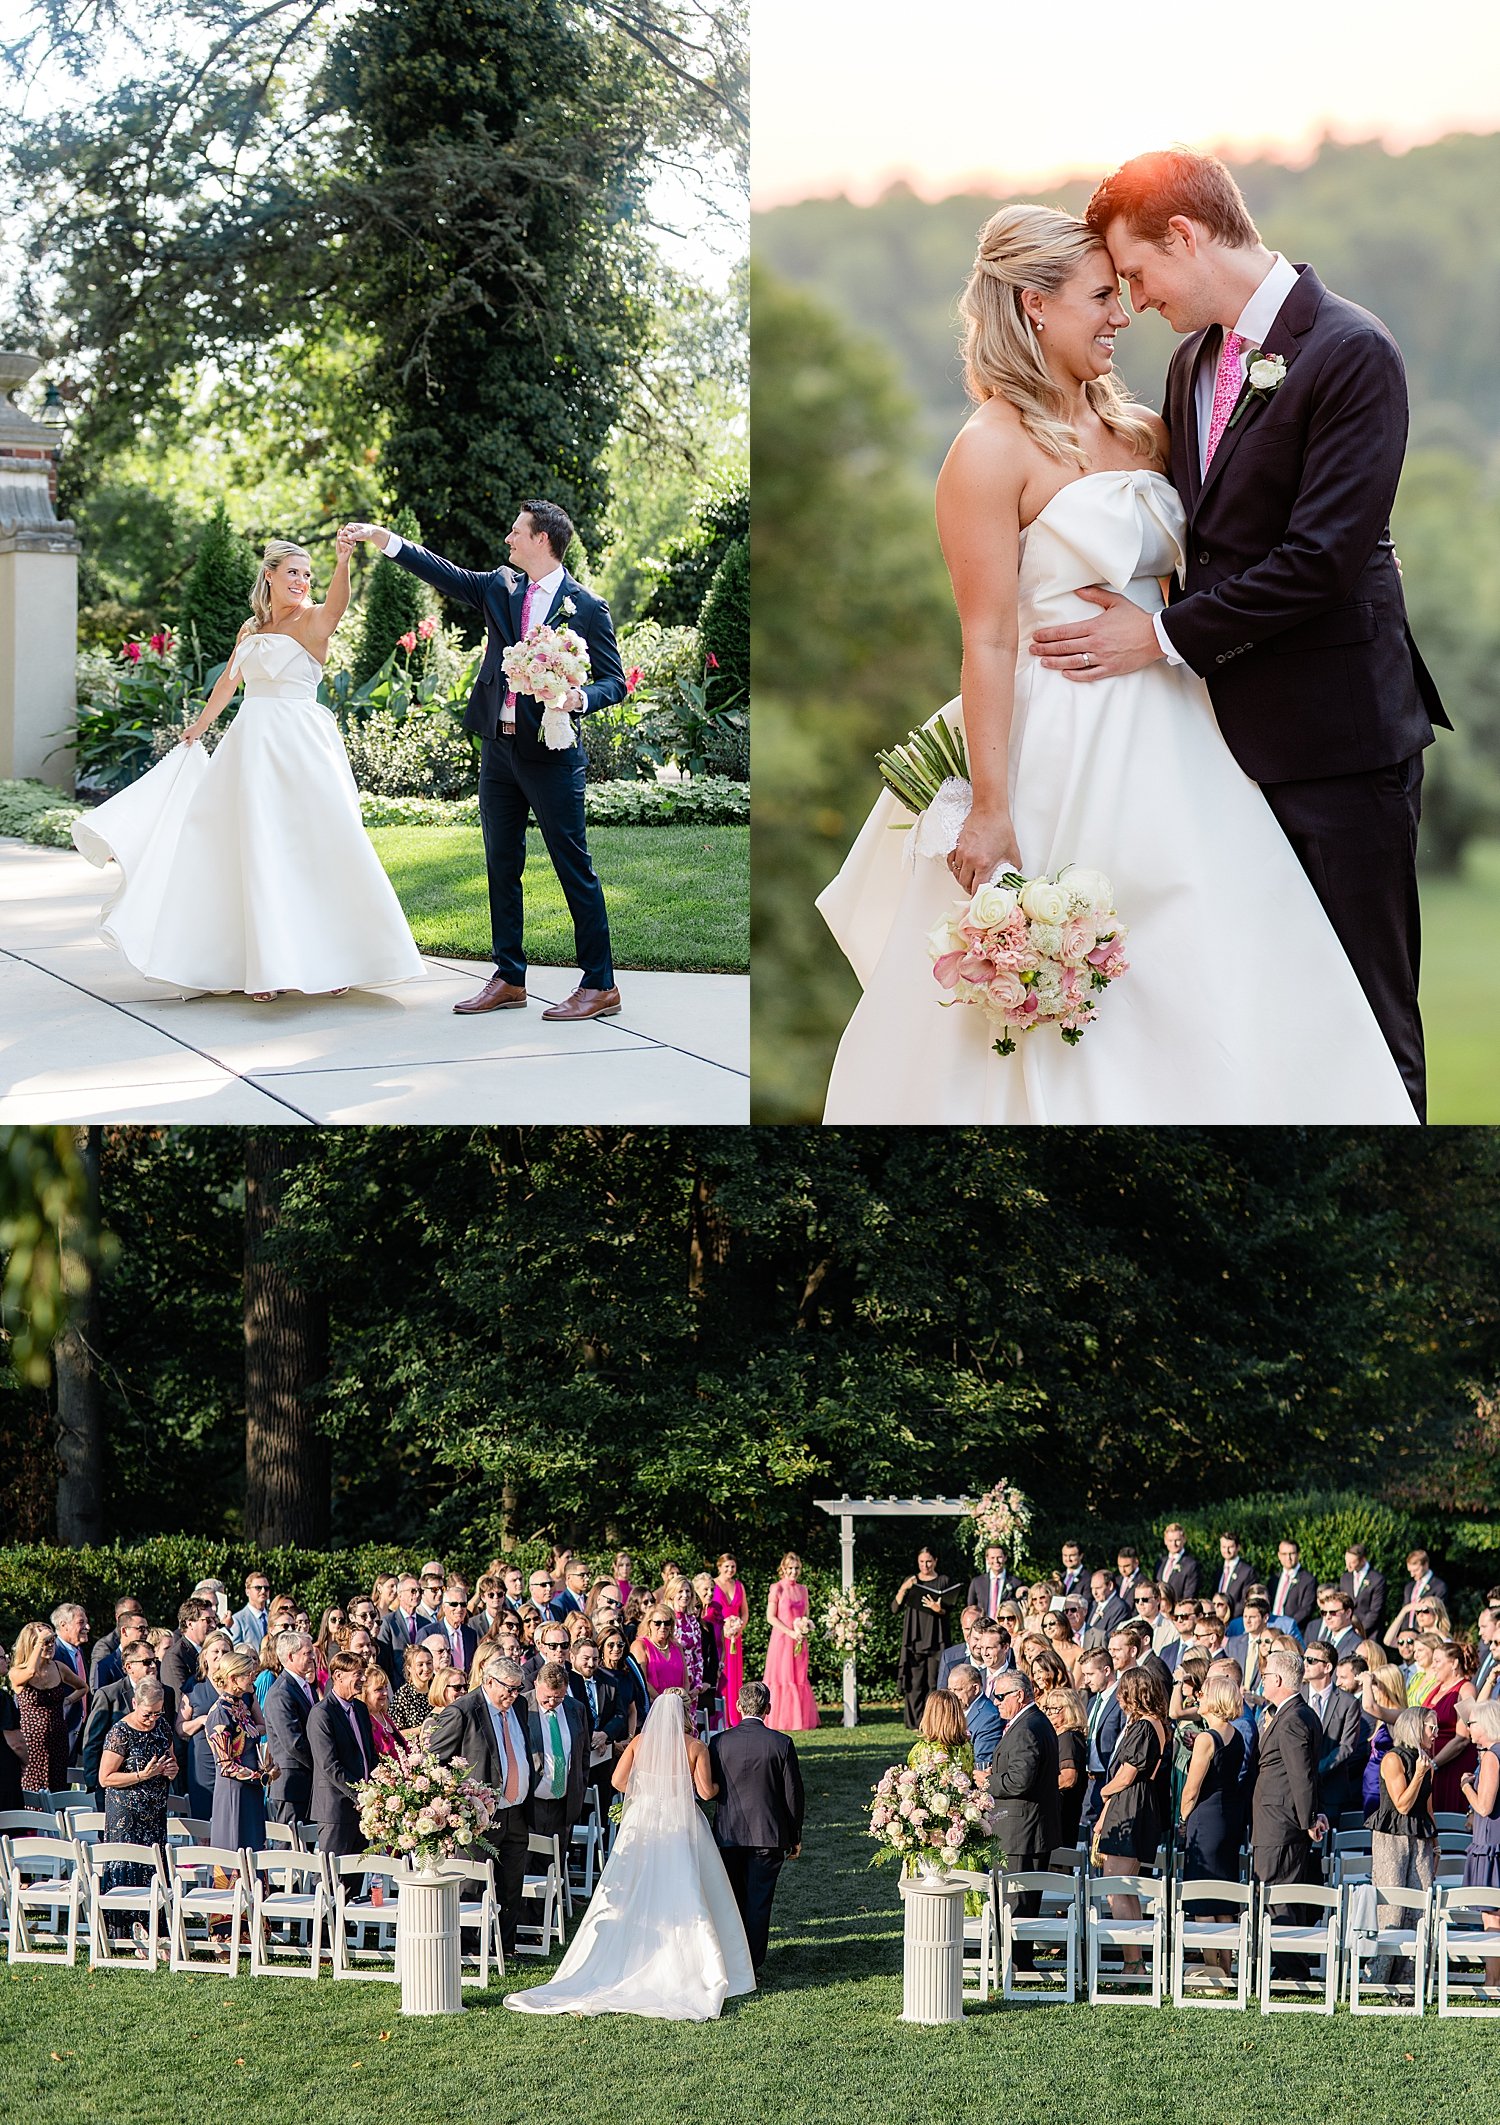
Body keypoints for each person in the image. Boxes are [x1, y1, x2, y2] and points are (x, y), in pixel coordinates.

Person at [818, 194, 1419, 1126]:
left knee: (1215, 954)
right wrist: (989, 803)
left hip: (1185, 718)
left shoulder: (1145, 424)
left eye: (1126, 285)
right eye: (1103, 293)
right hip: (1060, 733)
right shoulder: (985, 453)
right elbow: (986, 635)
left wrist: (1165, 631)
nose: (1122, 313)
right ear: (1033, 307)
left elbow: (1236, 553)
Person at [73, 534, 423, 999]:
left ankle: (338, 959)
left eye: (306, 574)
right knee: (254, 847)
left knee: (319, 842)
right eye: (293, 572)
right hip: (250, 743)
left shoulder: (312, 621)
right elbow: (227, 684)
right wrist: (198, 727)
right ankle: (264, 968)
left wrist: (344, 561)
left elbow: (337, 609)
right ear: (270, 576)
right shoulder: (250, 630)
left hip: (300, 742)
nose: (301, 581)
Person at [346, 502, 628, 1023]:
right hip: (498, 751)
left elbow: (616, 682)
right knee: (501, 863)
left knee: (573, 868)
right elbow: (443, 573)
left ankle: (600, 984)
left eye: (516, 532)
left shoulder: (586, 607)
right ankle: (509, 977)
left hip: (551, 755)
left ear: (543, 540)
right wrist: (386, 539)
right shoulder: (500, 586)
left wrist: (577, 698)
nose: (507, 539)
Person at [506, 1687, 753, 2019]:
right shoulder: (695, 1747)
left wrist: (649, 1789)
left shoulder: (638, 1743)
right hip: (681, 1824)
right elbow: (706, 1793)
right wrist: (721, 1786)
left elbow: (620, 1783)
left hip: (644, 1823)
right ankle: (691, 1963)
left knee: (637, 1884)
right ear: (683, 1714)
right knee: (686, 1886)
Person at [427, 1654, 532, 1953]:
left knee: (512, 1883)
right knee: (473, 1885)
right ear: (488, 1681)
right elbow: (435, 1761)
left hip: (516, 1810)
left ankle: (505, 1947)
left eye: (517, 1689)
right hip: (478, 1815)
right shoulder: (463, 1710)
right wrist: (458, 1804)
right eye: (508, 1689)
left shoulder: (519, 1707)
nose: (513, 1695)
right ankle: (470, 1949)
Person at [710, 1679, 805, 1978]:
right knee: (759, 1900)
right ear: (768, 1708)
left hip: (728, 1834)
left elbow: (711, 1788)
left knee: (733, 1897)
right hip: (769, 1834)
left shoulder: (719, 1742)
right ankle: (752, 1961)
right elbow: (793, 1794)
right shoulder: (781, 1743)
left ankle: (734, 1957)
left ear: (738, 1706)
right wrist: (795, 1836)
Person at [1251, 1647, 1329, 1980]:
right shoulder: (1298, 1713)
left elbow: (1302, 1774)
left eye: (1265, 1676)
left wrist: (1310, 1818)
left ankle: (1292, 1973)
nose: (1262, 1681)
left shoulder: (1294, 1718)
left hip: (1280, 1823)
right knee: (1281, 1895)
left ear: (1279, 1679)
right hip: (1281, 1818)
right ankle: (1287, 1968)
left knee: (1279, 1896)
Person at [97, 1674, 177, 1957]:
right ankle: (126, 1932)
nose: (152, 1719)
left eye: (158, 1712)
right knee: (129, 1868)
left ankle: (154, 1929)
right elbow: (105, 1777)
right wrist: (142, 1775)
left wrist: (169, 1770)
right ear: (134, 1704)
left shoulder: (162, 1727)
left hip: (155, 1813)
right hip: (126, 1814)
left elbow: (172, 1762)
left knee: (154, 1868)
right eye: (147, 1713)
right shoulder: (120, 1732)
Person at [1177, 1668, 1248, 1984]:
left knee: (1203, 1895)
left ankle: (1213, 1972)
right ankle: (1227, 1968)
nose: (1197, 1697)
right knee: (1224, 1895)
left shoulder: (1207, 1737)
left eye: (1202, 1693)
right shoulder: (1237, 1734)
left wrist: (1182, 1817)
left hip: (1206, 1816)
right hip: (1229, 1816)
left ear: (1215, 1700)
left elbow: (1192, 1788)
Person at [987, 1672, 1061, 1969]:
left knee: (1016, 1903)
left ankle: (1015, 1965)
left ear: (1020, 1695)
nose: (997, 1703)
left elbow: (1020, 1781)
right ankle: (1018, 1963)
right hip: (1026, 1828)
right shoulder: (1032, 1722)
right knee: (1021, 1902)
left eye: (1001, 1697)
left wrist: (987, 1782)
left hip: (1020, 1831)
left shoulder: (1027, 1727)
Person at [1368, 1704, 1440, 1985]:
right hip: (1392, 1839)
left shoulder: (1426, 1763)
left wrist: (1436, 1845)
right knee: (1393, 1909)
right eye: (1431, 1728)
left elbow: (1428, 1809)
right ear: (1415, 1727)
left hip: (1420, 1838)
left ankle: (1411, 1981)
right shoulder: (1393, 1759)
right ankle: (1379, 1979)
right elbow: (1402, 1805)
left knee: (1419, 1906)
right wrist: (1420, 1773)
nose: (1435, 1734)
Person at [9, 1619, 87, 1803]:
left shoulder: (59, 1668)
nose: (50, 1646)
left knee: (57, 1791)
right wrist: (38, 1644)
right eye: (46, 1642)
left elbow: (83, 1687)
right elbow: (29, 1673)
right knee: (32, 1792)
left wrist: (68, 1700)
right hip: (31, 1743)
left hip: (58, 1739)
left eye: (52, 1641)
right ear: (32, 1644)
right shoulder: (17, 1671)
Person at [307, 1650, 375, 1859]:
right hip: (336, 1809)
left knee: (356, 1874)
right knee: (332, 1877)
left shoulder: (361, 1709)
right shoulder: (322, 1713)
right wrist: (360, 1794)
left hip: (362, 1808)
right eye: (358, 1674)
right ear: (338, 1676)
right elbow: (330, 1766)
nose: (363, 1679)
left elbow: (369, 1755)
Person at [205, 1646, 272, 1855]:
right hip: (234, 1794)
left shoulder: (242, 1707)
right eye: (249, 1674)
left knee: (255, 1854)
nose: (254, 1677)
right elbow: (226, 1766)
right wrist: (260, 1777)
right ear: (233, 1678)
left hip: (251, 1792)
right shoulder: (220, 1714)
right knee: (235, 1853)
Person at [1458, 1699, 1500, 1990]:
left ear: (1485, 1724)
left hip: (1492, 1842)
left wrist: (1465, 1787)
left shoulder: (1491, 1757)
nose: (1468, 1728)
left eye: (1472, 1723)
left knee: (1492, 1914)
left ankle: (1492, 1980)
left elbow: (1484, 1806)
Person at [525, 1659, 590, 1847]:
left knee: (556, 1865)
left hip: (563, 1805)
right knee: (526, 1867)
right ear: (536, 1684)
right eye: (547, 1697)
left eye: (558, 1697)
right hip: (531, 1803)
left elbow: (583, 1753)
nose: (552, 1702)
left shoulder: (576, 1709)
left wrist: (579, 1784)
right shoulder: (522, 1707)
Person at [893, 1548, 959, 1728]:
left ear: (935, 1561)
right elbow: (894, 1608)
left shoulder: (943, 1580)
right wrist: (904, 1587)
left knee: (934, 1682)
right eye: (921, 1562)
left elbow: (950, 1608)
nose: (925, 1565)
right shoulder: (912, 1580)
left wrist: (939, 1609)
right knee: (914, 1684)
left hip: (936, 1639)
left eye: (928, 1561)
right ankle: (914, 1722)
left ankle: (934, 1721)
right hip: (915, 1639)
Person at [263, 1630, 320, 1827]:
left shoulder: (305, 1686)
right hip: (291, 1784)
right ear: (290, 1656)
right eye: (307, 1653)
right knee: (290, 1850)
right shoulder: (281, 1693)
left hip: (305, 1782)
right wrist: (321, 1763)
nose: (313, 1656)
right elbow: (293, 1742)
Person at [765, 1553, 820, 1732]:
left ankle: (800, 1720)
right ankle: (780, 1721)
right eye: (790, 1568)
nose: (793, 1572)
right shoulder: (777, 1588)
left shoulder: (803, 1589)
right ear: (783, 1569)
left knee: (799, 1677)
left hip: (799, 1640)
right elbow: (770, 1617)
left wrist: (803, 1628)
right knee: (783, 1678)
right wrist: (789, 1631)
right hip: (782, 1640)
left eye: (796, 1568)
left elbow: (806, 1614)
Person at [1040, 1686, 1088, 1849]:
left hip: (1062, 1817)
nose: (1048, 1713)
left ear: (1070, 1710)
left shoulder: (1068, 1738)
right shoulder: (1060, 1737)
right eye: (1047, 1708)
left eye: (1055, 1709)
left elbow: (1068, 1778)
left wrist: (1037, 1787)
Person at [705, 1555, 748, 1730]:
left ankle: (736, 1715)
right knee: (722, 1675)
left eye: (733, 1566)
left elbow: (744, 1611)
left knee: (735, 1675)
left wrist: (739, 1628)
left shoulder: (739, 1586)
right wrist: (724, 1629)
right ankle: (721, 1716)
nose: (730, 1570)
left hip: (735, 1638)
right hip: (718, 1636)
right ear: (719, 1567)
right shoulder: (713, 1585)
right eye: (727, 1566)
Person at [948, 1663, 1003, 1771]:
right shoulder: (954, 1708)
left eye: (958, 1690)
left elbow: (982, 1762)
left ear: (975, 1689)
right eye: (950, 1690)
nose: (952, 1696)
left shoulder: (990, 1717)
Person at [390, 1645, 437, 1738]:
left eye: (429, 1663)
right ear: (409, 1668)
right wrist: (422, 1729)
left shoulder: (437, 1689)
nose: (426, 1668)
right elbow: (395, 1734)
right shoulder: (403, 1696)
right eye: (420, 1664)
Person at [1271, 1542, 1319, 1632]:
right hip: (1270, 1629)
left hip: (1292, 1631)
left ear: (1298, 1554)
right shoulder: (1274, 1579)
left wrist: (1286, 1626)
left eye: (1292, 1554)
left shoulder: (1308, 1580)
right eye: (1284, 1554)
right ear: (1279, 1555)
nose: (1288, 1558)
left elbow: (1306, 1610)